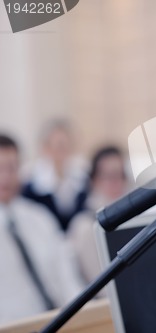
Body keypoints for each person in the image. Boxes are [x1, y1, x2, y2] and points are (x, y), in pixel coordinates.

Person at [0, 134, 84, 324]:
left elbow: (67, 278)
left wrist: (84, 316)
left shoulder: (40, 218)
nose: (5, 177)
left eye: (11, 168)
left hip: (62, 321)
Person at [67, 146, 129, 285]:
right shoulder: (85, 226)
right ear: (94, 180)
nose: (116, 182)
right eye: (110, 176)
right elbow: (100, 285)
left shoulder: (134, 216)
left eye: (121, 175)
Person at [22, 119, 88, 231]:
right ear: (46, 147)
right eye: (59, 146)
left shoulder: (81, 180)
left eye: (67, 145)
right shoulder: (32, 186)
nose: (63, 151)